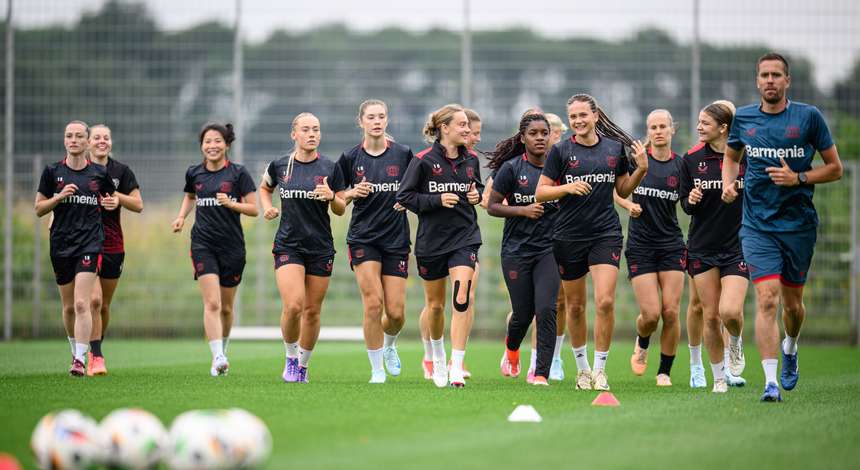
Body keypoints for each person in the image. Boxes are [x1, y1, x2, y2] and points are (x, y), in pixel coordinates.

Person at [722, 52, 843, 402]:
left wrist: (798, 178)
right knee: (766, 298)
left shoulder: (808, 117)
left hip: (798, 225)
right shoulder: (743, 118)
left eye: (776, 75)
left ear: (787, 81)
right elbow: (731, 157)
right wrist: (728, 183)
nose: (770, 80)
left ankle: (790, 344)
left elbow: (835, 168)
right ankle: (770, 382)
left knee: (793, 307)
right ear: (757, 81)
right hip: (757, 225)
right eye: (765, 75)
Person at [536, 94, 648, 391]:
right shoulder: (560, 151)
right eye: (573, 117)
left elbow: (622, 188)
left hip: (605, 233)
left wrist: (641, 170)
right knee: (574, 307)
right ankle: (583, 370)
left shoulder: (614, 148)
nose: (578, 121)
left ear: (595, 115)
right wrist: (567, 187)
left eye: (583, 115)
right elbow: (541, 192)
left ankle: (600, 370)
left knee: (605, 301)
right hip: (568, 236)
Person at [397, 103, 482, 388]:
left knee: (461, 298)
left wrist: (476, 195)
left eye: (467, 125)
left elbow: (477, 189)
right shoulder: (422, 160)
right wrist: (436, 200)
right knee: (435, 306)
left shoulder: (471, 160)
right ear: (444, 128)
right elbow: (405, 196)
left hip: (465, 239)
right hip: (431, 243)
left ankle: (456, 366)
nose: (467, 130)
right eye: (462, 125)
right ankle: (437, 357)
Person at [260, 113, 346, 384]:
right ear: (294, 134)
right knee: (294, 305)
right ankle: (290, 358)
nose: (312, 134)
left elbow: (341, 208)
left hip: (320, 247)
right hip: (288, 245)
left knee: (312, 311)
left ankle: (303, 365)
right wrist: (268, 207)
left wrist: (332, 197)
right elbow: (265, 188)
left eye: (316, 130)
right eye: (306, 129)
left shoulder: (330, 167)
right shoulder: (280, 165)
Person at [335, 100, 413, 384]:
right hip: (363, 238)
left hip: (396, 239)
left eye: (381, 116)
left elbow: (417, 190)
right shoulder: (349, 158)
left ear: (387, 120)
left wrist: (409, 201)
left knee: (396, 313)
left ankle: (390, 346)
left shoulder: (403, 154)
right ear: (361, 122)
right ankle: (377, 370)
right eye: (371, 117)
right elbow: (336, 203)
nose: (377, 121)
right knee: (373, 304)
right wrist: (351, 193)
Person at [171, 122, 258, 377]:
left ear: (227, 145)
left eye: (217, 141)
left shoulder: (239, 173)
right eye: (207, 141)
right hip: (203, 244)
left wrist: (232, 204)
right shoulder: (194, 173)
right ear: (201, 146)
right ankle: (217, 356)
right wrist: (181, 217)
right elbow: (190, 196)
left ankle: (223, 350)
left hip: (232, 247)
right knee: (212, 302)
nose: (212, 146)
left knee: (226, 308)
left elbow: (254, 209)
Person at [35, 120, 116, 376]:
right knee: (69, 307)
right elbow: (39, 208)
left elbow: (110, 198)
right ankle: (74, 350)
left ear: (87, 141)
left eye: (79, 136)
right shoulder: (52, 172)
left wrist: (112, 203)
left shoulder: (99, 173)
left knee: (83, 303)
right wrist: (59, 197)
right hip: (61, 244)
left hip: (90, 243)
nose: (74, 140)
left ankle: (81, 359)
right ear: (64, 140)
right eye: (69, 135)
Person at [679, 102, 749, 393]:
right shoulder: (691, 159)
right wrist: (691, 199)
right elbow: (684, 204)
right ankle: (719, 377)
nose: (699, 127)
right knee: (710, 315)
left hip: (738, 245)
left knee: (730, 312)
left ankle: (736, 341)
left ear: (723, 128)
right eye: (698, 121)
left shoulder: (746, 156)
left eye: (705, 123)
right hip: (702, 246)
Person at [486, 113, 560, 386]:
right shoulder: (511, 169)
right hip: (516, 251)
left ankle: (541, 373)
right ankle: (512, 349)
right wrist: (523, 210)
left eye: (544, 133)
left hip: (549, 250)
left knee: (546, 309)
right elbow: (492, 206)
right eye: (533, 133)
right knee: (522, 314)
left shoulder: (560, 168)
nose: (540, 138)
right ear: (523, 138)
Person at [613, 109, 685, 387]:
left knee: (671, 312)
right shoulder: (637, 160)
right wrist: (627, 204)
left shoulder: (681, 166)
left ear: (672, 129)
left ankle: (664, 372)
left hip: (671, 245)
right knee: (652, 315)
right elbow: (616, 189)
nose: (658, 131)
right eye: (653, 127)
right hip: (641, 246)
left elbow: (689, 201)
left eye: (662, 126)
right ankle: (642, 342)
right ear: (648, 131)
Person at [85, 124, 143, 376]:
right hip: (84, 242)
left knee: (104, 305)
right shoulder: (78, 169)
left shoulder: (121, 171)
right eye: (96, 137)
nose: (102, 141)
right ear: (88, 142)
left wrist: (119, 197)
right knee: (94, 300)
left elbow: (138, 204)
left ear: (111, 142)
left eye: (106, 138)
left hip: (113, 244)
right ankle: (95, 355)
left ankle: (94, 346)